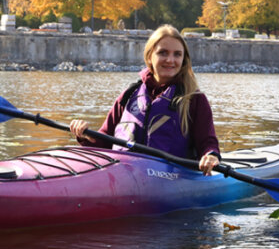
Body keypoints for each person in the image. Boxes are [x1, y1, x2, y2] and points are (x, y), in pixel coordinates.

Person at [69, 25, 220, 175]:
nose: (170, 60)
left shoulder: (195, 99)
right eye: (163, 53)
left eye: (177, 54)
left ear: (183, 59)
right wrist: (85, 135)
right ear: (149, 56)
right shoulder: (129, 95)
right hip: (124, 173)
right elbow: (105, 140)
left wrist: (211, 156)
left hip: (171, 178)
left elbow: (207, 142)